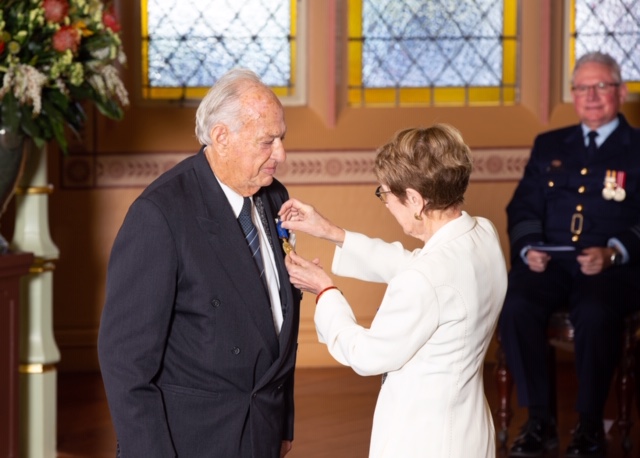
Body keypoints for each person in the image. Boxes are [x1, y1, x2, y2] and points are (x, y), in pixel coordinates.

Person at [97, 68, 301, 458]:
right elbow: (124, 362)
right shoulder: (159, 215)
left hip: (260, 429)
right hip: (190, 439)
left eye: (282, 138)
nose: (281, 154)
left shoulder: (272, 195)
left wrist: (281, 418)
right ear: (221, 137)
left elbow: (278, 320)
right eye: (267, 141)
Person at [278, 124, 508, 458]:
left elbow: (366, 355)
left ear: (415, 200)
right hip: (469, 428)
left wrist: (324, 290)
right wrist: (332, 232)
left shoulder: (426, 279)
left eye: (385, 193)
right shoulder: (482, 233)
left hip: (423, 438)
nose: (385, 202)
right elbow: (418, 266)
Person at [499, 51, 640, 458]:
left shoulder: (637, 147)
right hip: (551, 263)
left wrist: (615, 252)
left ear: (621, 91)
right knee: (517, 303)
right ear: (573, 95)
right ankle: (539, 420)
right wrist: (528, 249)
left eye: (601, 86)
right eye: (582, 88)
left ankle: (590, 425)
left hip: (614, 268)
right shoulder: (549, 145)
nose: (591, 96)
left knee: (596, 312)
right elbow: (522, 207)